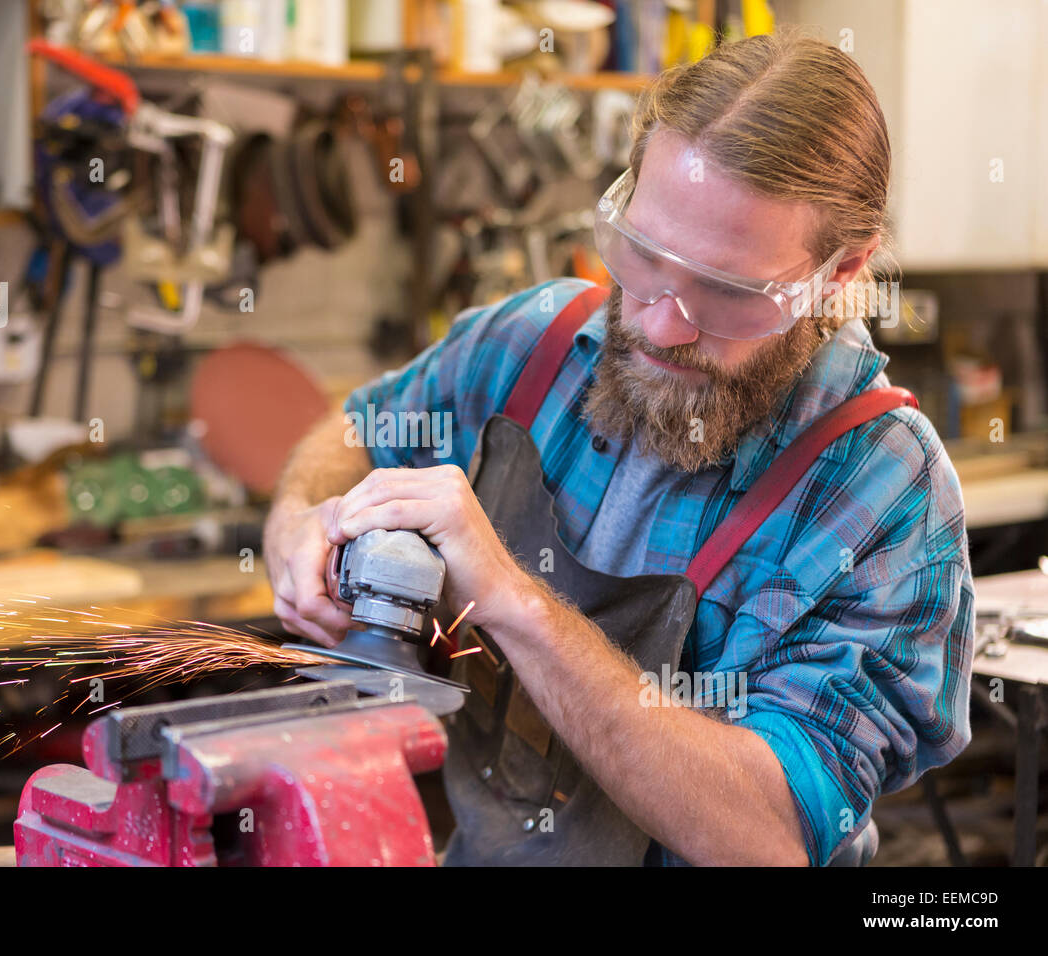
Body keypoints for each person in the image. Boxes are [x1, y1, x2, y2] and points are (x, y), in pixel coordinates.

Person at [263, 31, 973, 866]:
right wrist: (298, 524)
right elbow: (355, 429)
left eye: (729, 291)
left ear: (841, 273)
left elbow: (767, 836)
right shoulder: (530, 345)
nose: (662, 324)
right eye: (645, 255)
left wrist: (513, 600)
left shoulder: (887, 493)